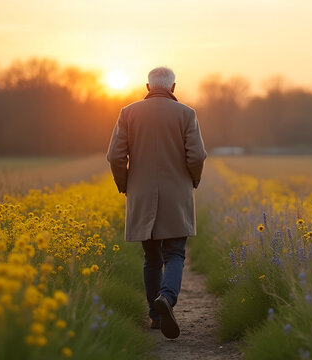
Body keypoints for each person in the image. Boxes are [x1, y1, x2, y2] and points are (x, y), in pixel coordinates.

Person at [106, 66, 207, 339]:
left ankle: (154, 315)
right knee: (175, 253)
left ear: (148, 87)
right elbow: (197, 156)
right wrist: (193, 181)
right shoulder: (187, 114)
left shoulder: (128, 113)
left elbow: (114, 156)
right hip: (177, 195)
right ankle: (167, 297)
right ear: (173, 88)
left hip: (141, 194)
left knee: (151, 257)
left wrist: (125, 184)